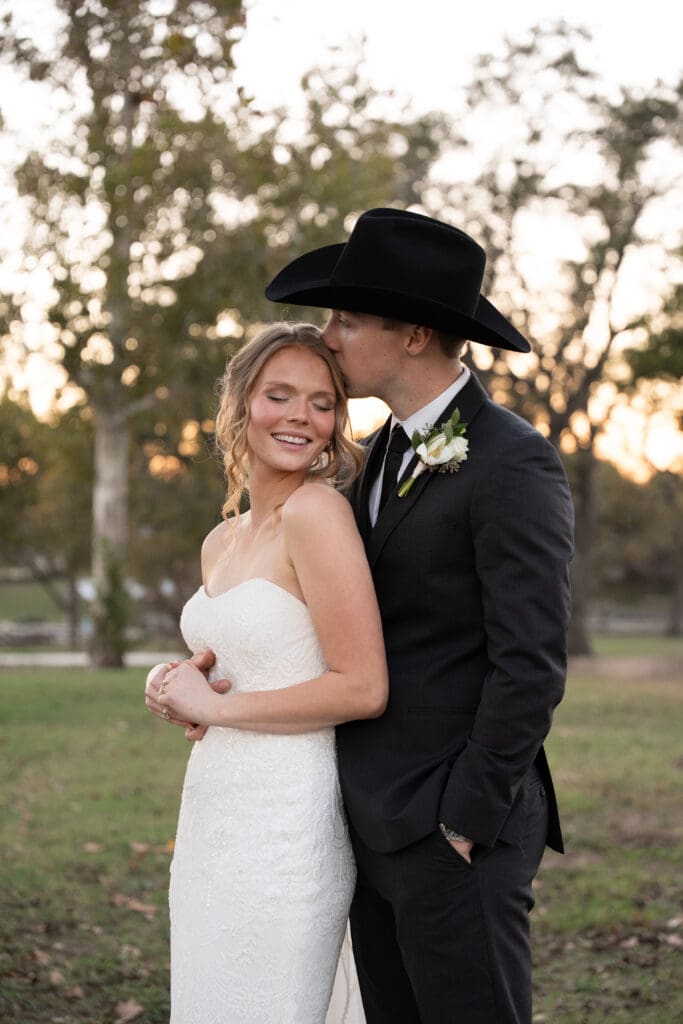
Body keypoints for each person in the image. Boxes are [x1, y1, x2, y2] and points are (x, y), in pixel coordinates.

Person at [263, 207, 575, 1023]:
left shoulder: (512, 461)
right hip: (371, 820)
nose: (327, 336)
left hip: (453, 830)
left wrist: (465, 820)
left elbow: (531, 662)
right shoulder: (381, 453)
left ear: (411, 335)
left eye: (347, 319)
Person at [145, 321, 387, 1024]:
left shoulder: (318, 513)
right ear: (241, 402)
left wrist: (216, 710)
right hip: (213, 811)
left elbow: (362, 687)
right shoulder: (220, 539)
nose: (300, 417)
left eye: (320, 402)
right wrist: (175, 685)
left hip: (287, 824)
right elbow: (233, 665)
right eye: (279, 394)